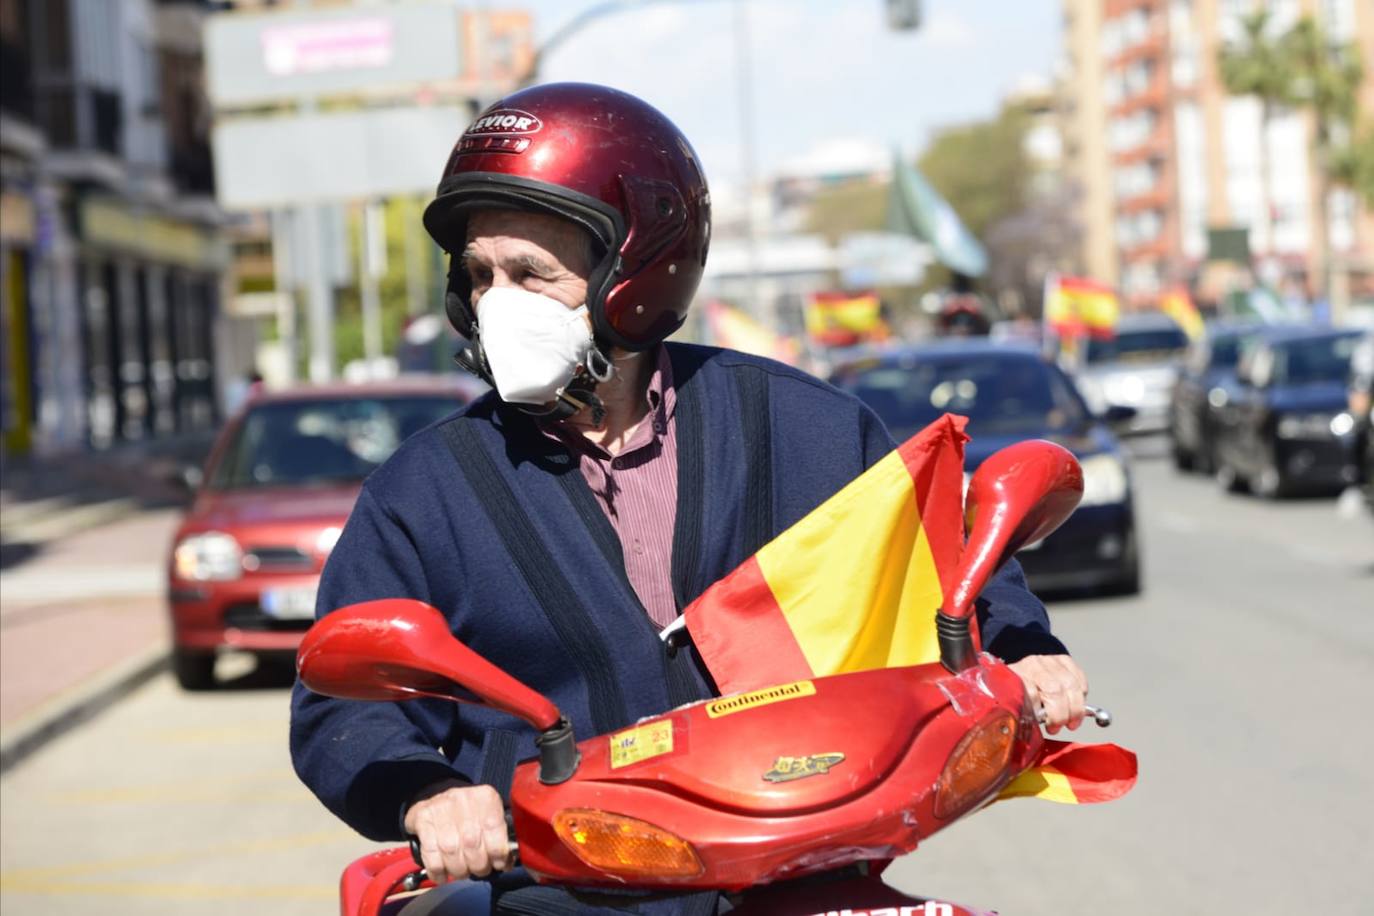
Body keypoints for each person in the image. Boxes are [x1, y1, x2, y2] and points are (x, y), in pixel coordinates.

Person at [289, 83, 1089, 912]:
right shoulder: (423, 493)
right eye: (481, 276)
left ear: (633, 273)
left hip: (807, 864)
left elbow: (946, 558)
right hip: (556, 889)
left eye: (532, 274)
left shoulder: (802, 426)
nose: (497, 305)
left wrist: (1028, 650)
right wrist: (428, 795)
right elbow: (343, 709)